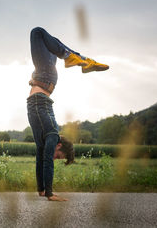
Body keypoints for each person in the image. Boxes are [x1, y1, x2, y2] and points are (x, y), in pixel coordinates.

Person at [26, 27, 109, 201]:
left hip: (43, 84)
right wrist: (50, 195)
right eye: (60, 156)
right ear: (59, 146)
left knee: (49, 44)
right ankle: (75, 58)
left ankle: (79, 59)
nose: (56, 158)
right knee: (37, 32)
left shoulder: (47, 138)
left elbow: (40, 159)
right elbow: (47, 160)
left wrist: (41, 190)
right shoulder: (52, 135)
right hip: (45, 78)